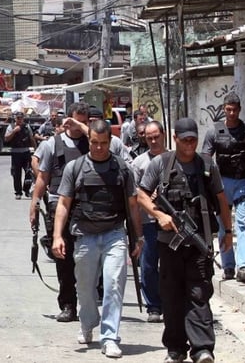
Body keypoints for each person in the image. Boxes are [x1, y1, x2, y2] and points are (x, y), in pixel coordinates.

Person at [137, 118, 232, 363]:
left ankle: (202, 349)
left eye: (193, 139)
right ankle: (176, 348)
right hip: (169, 244)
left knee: (199, 294)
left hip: (199, 242)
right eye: (185, 139)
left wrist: (228, 232)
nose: (190, 144)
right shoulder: (161, 164)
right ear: (176, 139)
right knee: (171, 295)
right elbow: (141, 194)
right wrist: (159, 215)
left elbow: (221, 200)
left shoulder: (207, 166)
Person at [51, 119, 143, 359]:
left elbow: (133, 205)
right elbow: (63, 203)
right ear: (88, 140)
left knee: (113, 285)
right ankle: (88, 321)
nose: (99, 148)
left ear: (109, 142)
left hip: (114, 234)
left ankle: (110, 336)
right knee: (84, 288)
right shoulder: (76, 167)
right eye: (94, 143)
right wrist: (57, 235)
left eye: (103, 143)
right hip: (85, 235)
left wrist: (139, 237)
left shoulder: (122, 168)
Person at [31, 102, 91, 322]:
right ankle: (68, 304)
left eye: (84, 122)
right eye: (76, 121)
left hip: (86, 206)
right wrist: (35, 205)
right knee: (63, 258)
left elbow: (108, 142)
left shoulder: (93, 142)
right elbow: (43, 177)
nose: (80, 126)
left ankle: (88, 303)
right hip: (59, 205)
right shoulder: (52, 145)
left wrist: (83, 128)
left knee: (87, 258)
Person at [202, 92, 245, 282]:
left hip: (244, 183)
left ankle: (243, 267)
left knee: (242, 224)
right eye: (228, 109)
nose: (231, 113)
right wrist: (205, 187)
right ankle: (229, 266)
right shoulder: (214, 132)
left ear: (239, 110)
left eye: (235, 110)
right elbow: (205, 160)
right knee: (224, 228)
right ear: (224, 109)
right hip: (222, 185)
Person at [130, 120, 166, 323]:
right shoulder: (139, 163)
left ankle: (170, 302)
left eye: (156, 136)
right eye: (149, 137)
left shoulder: (173, 158)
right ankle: (153, 306)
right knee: (149, 265)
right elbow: (133, 194)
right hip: (147, 222)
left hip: (171, 221)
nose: (153, 140)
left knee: (171, 265)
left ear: (163, 135)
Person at [4, 111, 36, 199]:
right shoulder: (11, 127)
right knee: (16, 174)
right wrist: (14, 131)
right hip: (15, 153)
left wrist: (36, 150)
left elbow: (31, 138)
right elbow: (6, 139)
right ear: (15, 119)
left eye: (21, 118)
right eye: (18, 118)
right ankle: (18, 192)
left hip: (26, 152)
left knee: (29, 172)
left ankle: (26, 190)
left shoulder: (27, 127)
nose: (20, 120)